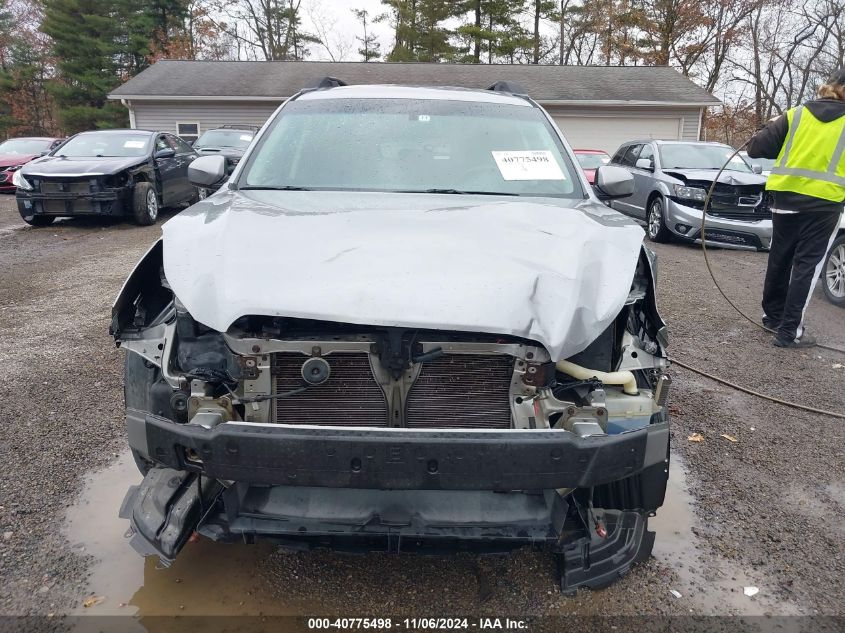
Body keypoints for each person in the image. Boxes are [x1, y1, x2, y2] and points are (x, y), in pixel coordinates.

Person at [747, 68, 845, 348]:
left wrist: (772, 126)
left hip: (786, 200)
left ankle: (772, 318)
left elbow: (755, 148)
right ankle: (789, 332)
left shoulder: (795, 114)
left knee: (780, 259)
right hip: (824, 205)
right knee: (806, 267)